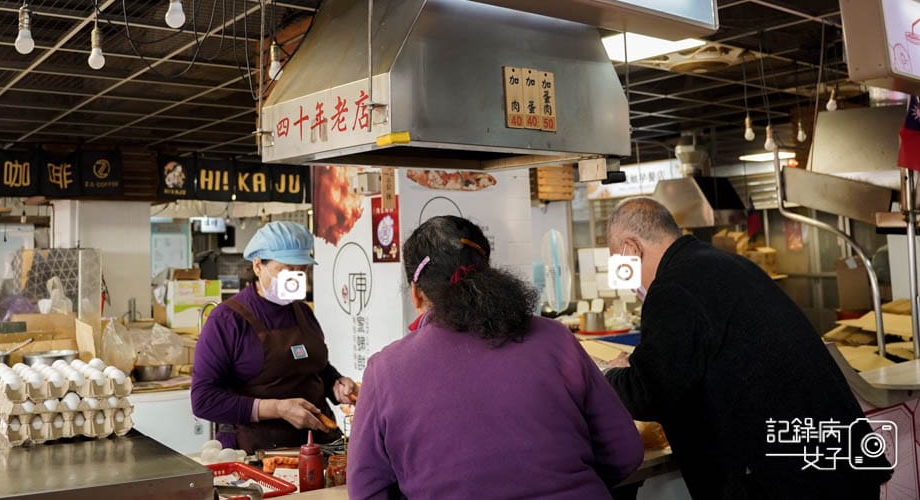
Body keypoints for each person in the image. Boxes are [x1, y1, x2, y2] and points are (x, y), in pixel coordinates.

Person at [604, 197, 892, 499]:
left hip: (793, 481)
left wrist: (613, 376)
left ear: (631, 248)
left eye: (619, 266)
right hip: (833, 463)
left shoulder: (673, 287)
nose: (628, 284)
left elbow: (652, 392)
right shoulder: (722, 264)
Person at [348, 215, 643, 499]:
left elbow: (366, 490)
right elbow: (625, 451)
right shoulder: (555, 338)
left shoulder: (385, 370)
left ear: (416, 294)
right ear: (488, 275)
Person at [191, 221, 356, 452]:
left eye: (302, 270)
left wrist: (336, 384)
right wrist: (277, 409)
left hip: (319, 445)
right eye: (287, 270)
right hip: (258, 451)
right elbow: (204, 400)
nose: (295, 277)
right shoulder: (227, 320)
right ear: (258, 266)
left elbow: (315, 368)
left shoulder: (303, 312)